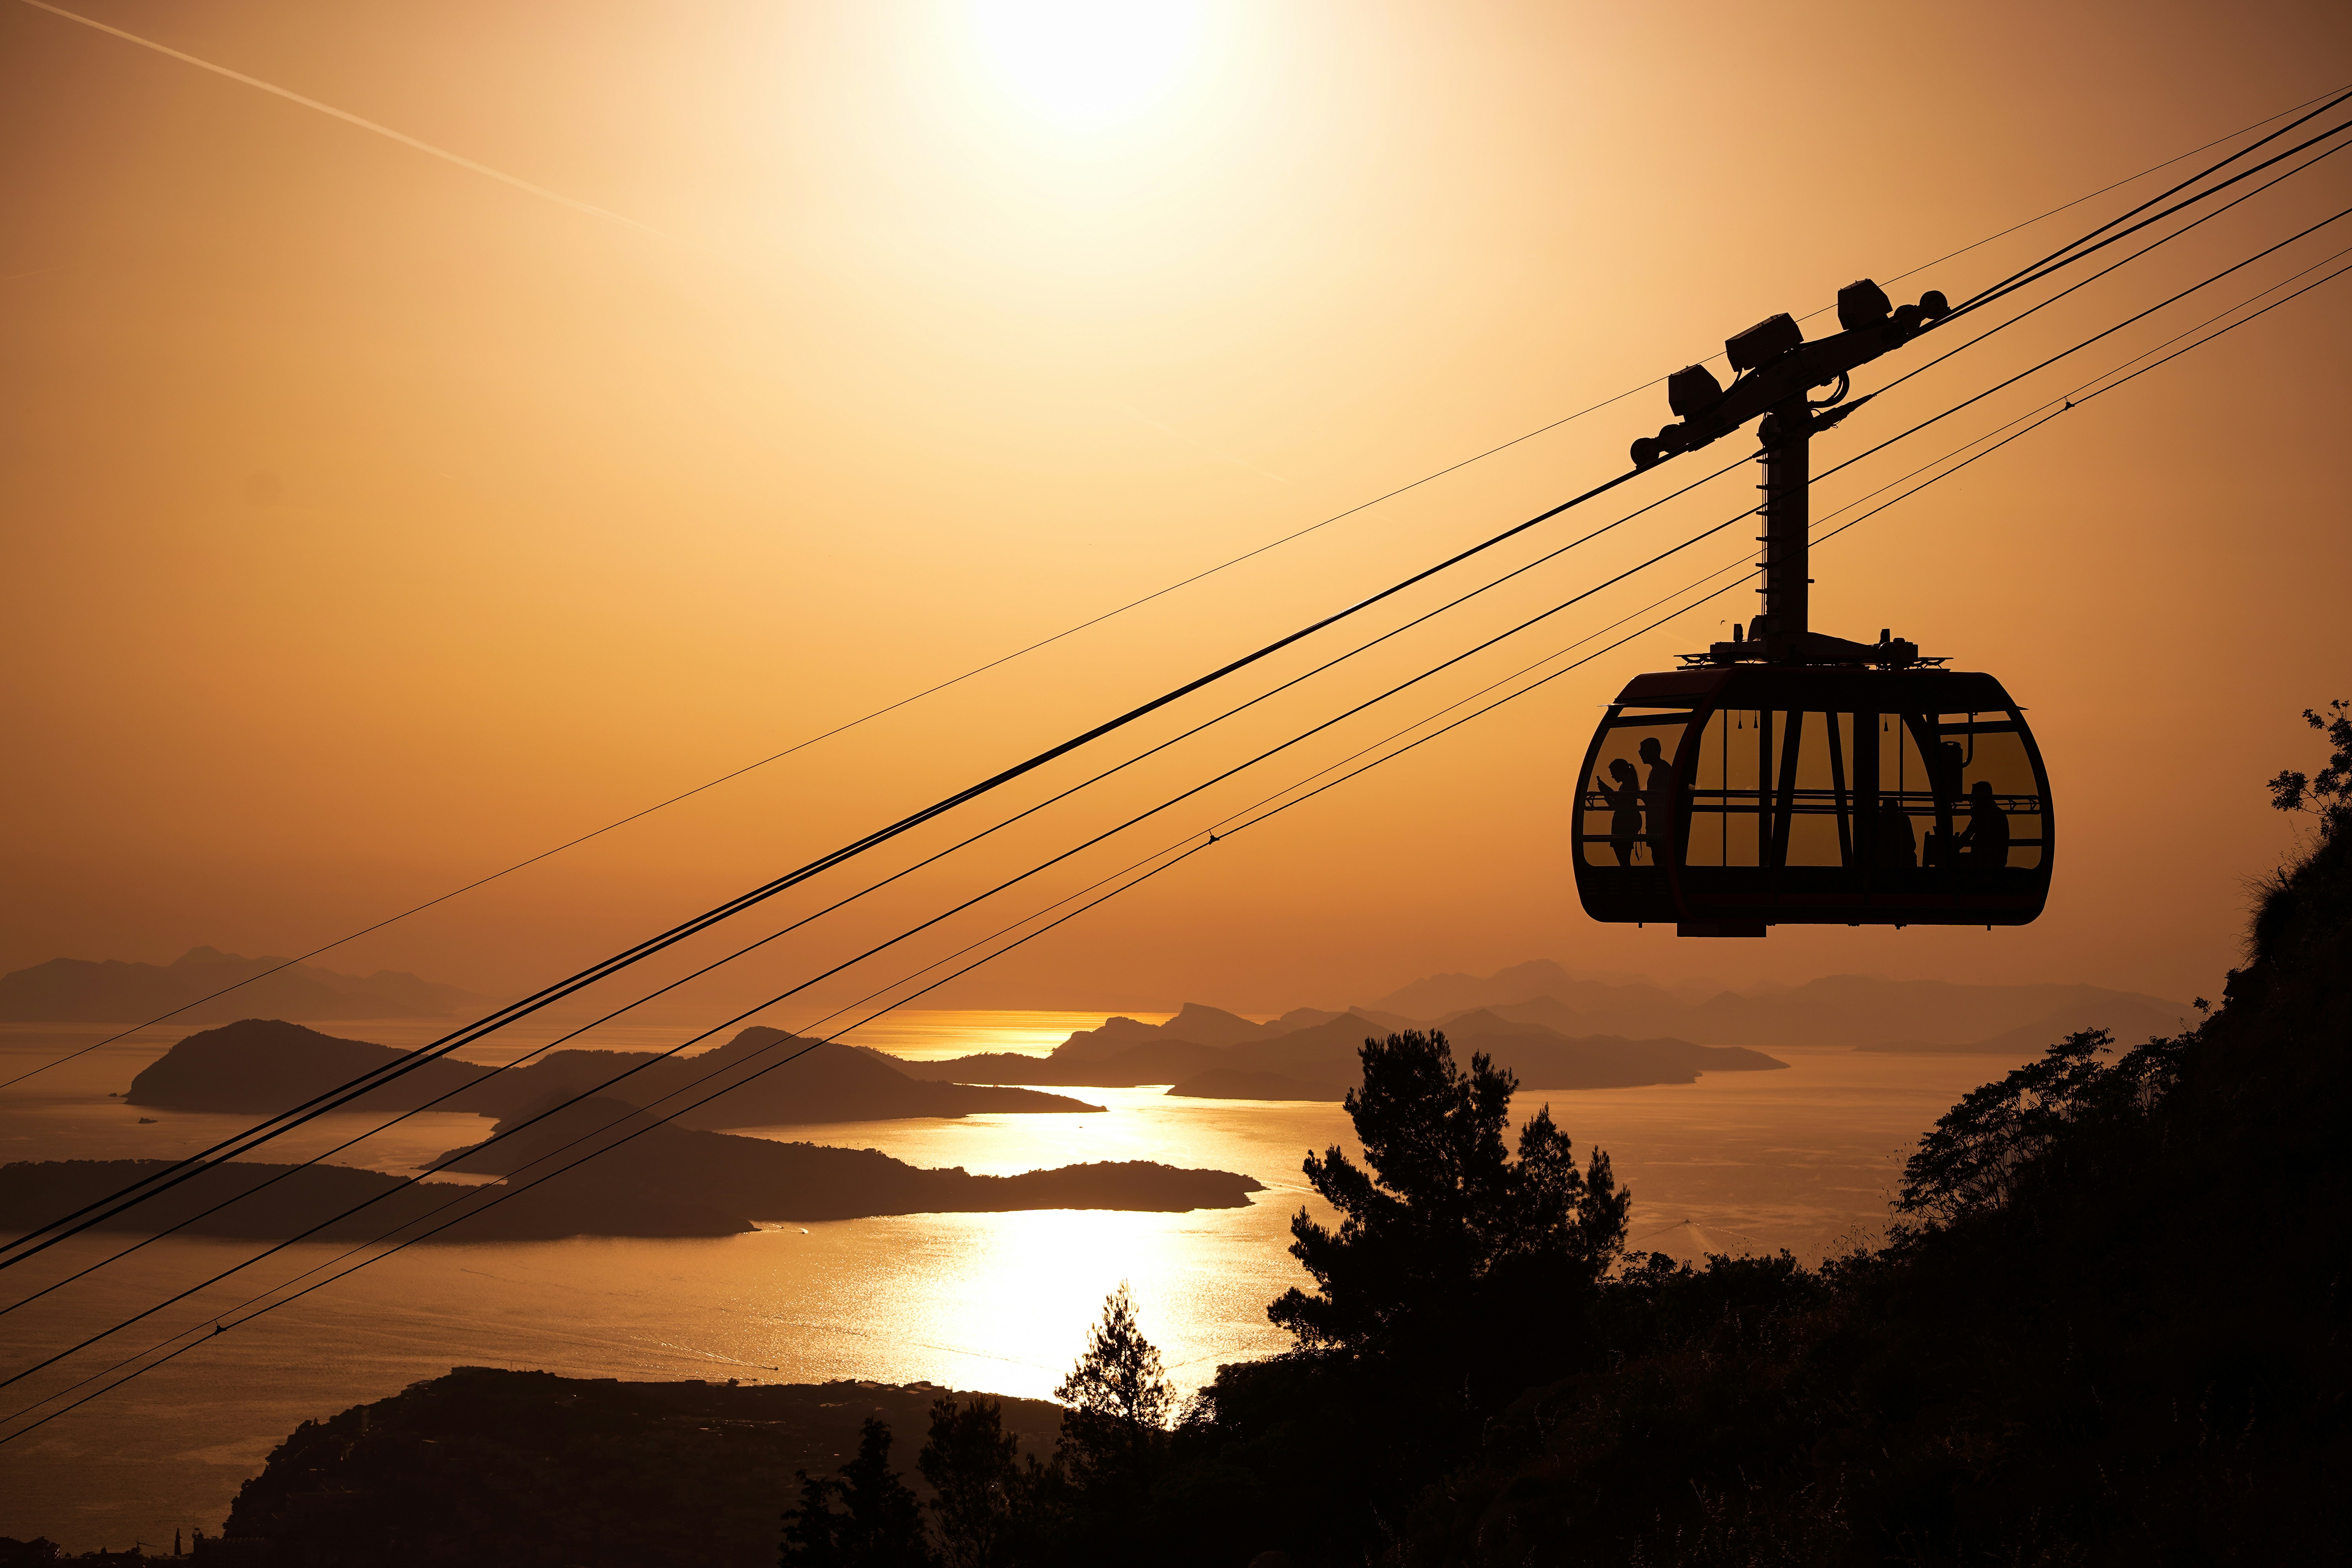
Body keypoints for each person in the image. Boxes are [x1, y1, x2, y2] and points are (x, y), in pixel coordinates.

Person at [1595, 758, 1644, 867]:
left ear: (1620, 772)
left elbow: (1621, 804)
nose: (1613, 777)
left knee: (1623, 859)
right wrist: (1606, 793)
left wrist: (1608, 791)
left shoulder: (1628, 786)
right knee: (1623, 859)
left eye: (1613, 773)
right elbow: (1616, 805)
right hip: (1623, 824)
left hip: (1625, 825)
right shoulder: (1627, 785)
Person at [1955, 779, 2011, 869]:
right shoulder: (1996, 811)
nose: (1972, 801)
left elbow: (1967, 835)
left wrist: (1952, 849)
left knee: (1954, 861)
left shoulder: (1984, 813)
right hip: (1997, 860)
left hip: (1985, 860)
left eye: (1974, 797)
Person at [1637, 737, 1675, 860]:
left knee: (1660, 856)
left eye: (1642, 751)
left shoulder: (1663, 769)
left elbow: (1663, 796)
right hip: (1656, 821)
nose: (1640, 754)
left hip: (1659, 822)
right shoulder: (1659, 769)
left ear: (1653, 752)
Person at [1877, 797, 1916, 869]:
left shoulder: (1878, 820)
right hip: (1902, 857)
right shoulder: (1904, 819)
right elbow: (1912, 844)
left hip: (1882, 857)